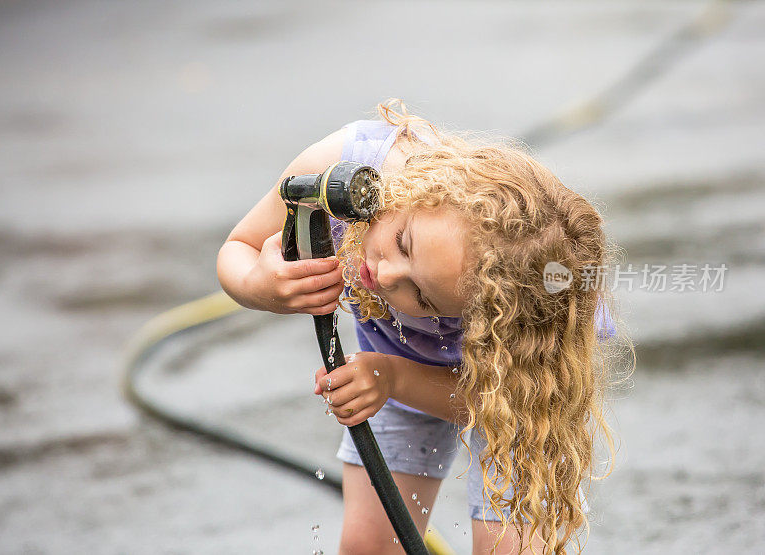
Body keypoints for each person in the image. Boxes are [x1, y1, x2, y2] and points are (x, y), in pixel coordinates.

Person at [217, 99, 628, 554]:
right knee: (368, 548)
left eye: (424, 299)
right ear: (414, 192)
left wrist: (392, 378)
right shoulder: (346, 165)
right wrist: (261, 286)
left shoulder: (527, 314)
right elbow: (239, 246)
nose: (388, 275)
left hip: (512, 386)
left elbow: (496, 401)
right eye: (403, 242)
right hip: (387, 364)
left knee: (511, 547)